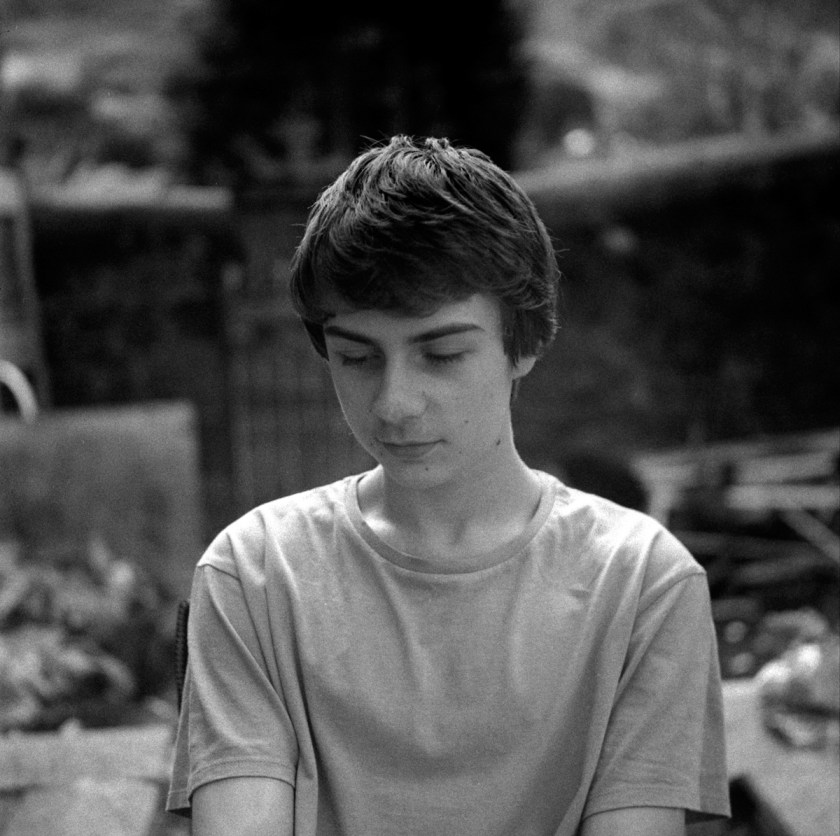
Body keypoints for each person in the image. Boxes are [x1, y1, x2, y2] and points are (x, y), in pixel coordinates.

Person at [167, 135, 730, 835]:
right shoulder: (253, 575)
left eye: (441, 354)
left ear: (524, 345)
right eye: (357, 358)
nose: (394, 403)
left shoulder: (643, 584)